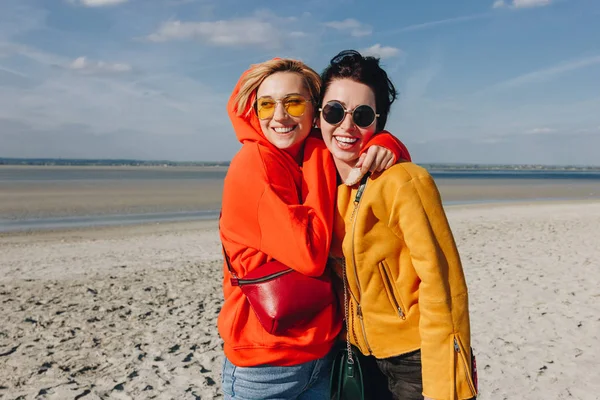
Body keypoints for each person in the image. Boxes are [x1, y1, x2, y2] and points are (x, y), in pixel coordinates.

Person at [218, 58, 410, 399]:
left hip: (322, 355)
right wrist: (321, 153)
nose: (279, 116)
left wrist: (387, 144)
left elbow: (354, 138)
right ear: (253, 110)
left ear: (314, 111)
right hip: (266, 368)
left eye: (293, 102)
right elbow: (309, 253)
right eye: (267, 104)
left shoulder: (299, 158)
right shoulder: (254, 164)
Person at [319, 50, 477, 400]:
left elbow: (444, 286)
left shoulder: (403, 181)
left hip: (412, 358)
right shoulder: (320, 181)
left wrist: (447, 383)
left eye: (362, 115)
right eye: (334, 111)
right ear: (318, 117)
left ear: (378, 123)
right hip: (354, 353)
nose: (346, 126)